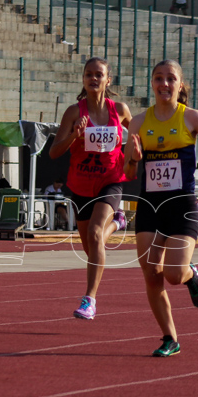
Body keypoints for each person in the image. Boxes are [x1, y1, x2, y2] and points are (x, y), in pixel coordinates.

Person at [124, 60, 198, 356]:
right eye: (159, 78)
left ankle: (190, 275)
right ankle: (170, 338)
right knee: (150, 273)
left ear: (180, 85)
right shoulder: (139, 122)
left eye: (171, 79)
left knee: (172, 273)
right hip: (149, 206)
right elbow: (129, 172)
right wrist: (134, 157)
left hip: (181, 205)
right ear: (152, 83)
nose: (164, 84)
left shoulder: (192, 118)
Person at [48, 57, 132, 320]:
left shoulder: (120, 110)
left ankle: (89, 300)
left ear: (108, 80)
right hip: (81, 184)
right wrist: (74, 134)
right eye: (88, 74)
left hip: (111, 180)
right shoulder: (74, 111)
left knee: (96, 235)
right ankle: (117, 222)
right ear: (83, 79)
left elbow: (140, 135)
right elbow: (53, 152)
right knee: (90, 246)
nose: (93, 78)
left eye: (99, 74)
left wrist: (137, 151)